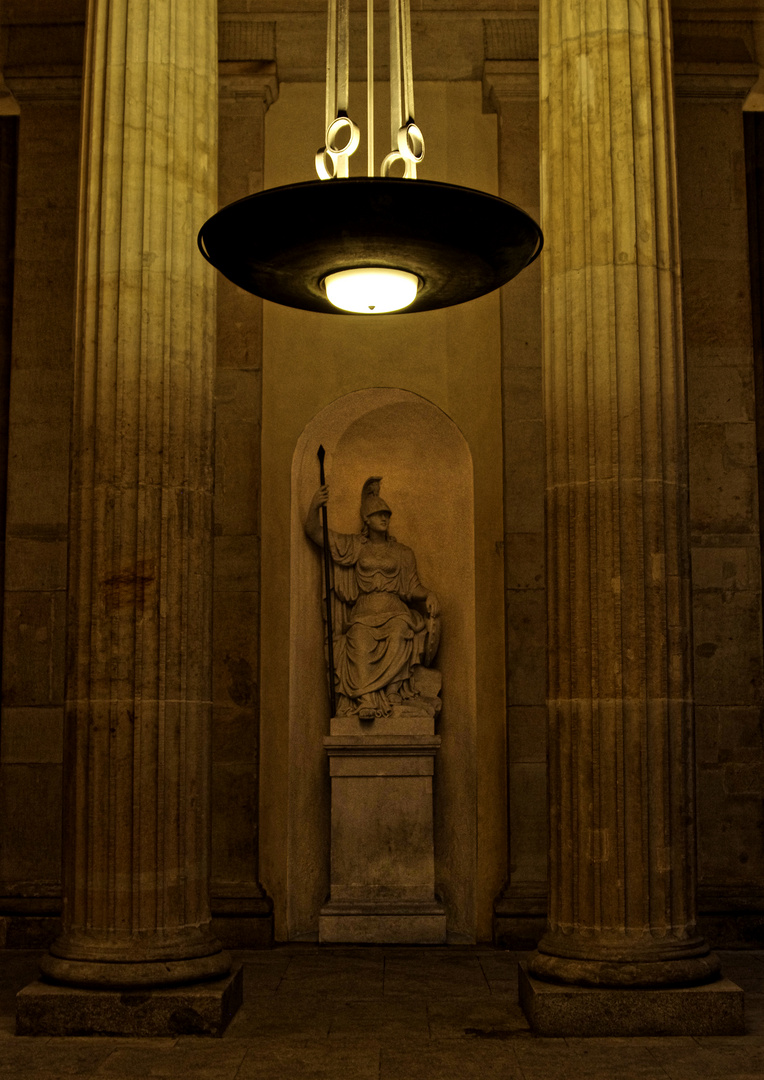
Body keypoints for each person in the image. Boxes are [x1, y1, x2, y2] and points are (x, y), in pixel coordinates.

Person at [305, 476, 440, 718]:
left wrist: (429, 594)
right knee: (357, 639)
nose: (384, 518)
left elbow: (412, 587)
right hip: (365, 611)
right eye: (378, 514)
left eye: (386, 514)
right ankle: (366, 699)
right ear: (366, 519)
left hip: (394, 608)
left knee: (400, 631)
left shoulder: (402, 552)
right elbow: (315, 533)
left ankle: (393, 692)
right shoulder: (354, 546)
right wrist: (315, 506)